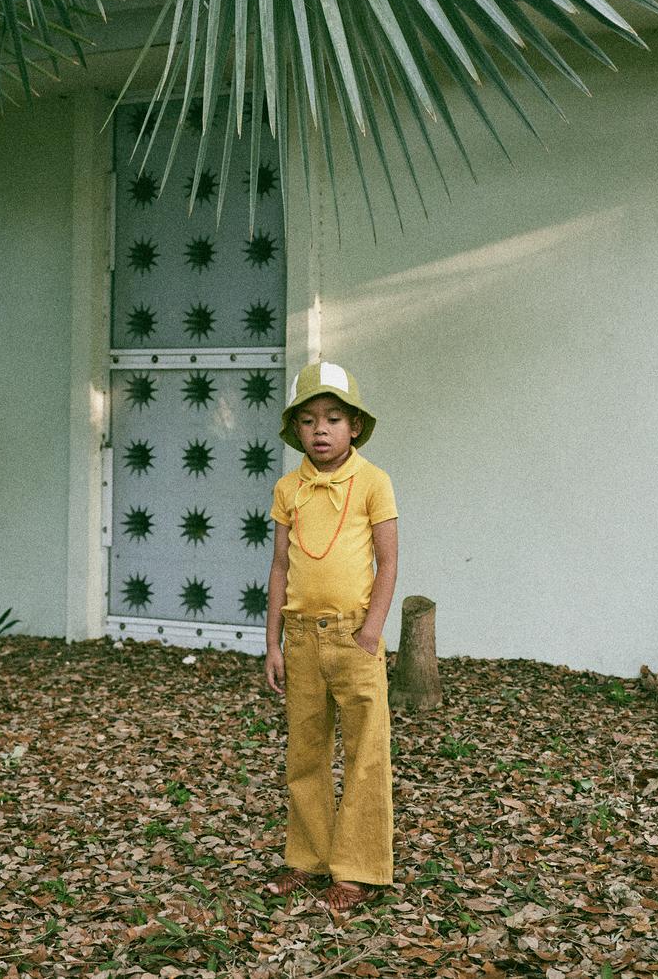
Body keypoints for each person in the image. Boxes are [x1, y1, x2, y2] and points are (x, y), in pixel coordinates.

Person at [263, 361, 399, 914]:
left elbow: (388, 562)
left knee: (366, 752)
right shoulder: (287, 488)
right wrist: (271, 643)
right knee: (306, 751)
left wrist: (371, 632)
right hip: (299, 638)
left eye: (334, 418)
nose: (321, 430)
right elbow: (278, 567)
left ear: (355, 427)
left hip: (353, 638)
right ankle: (309, 859)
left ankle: (359, 870)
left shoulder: (373, 481)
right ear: (296, 428)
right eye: (309, 419)